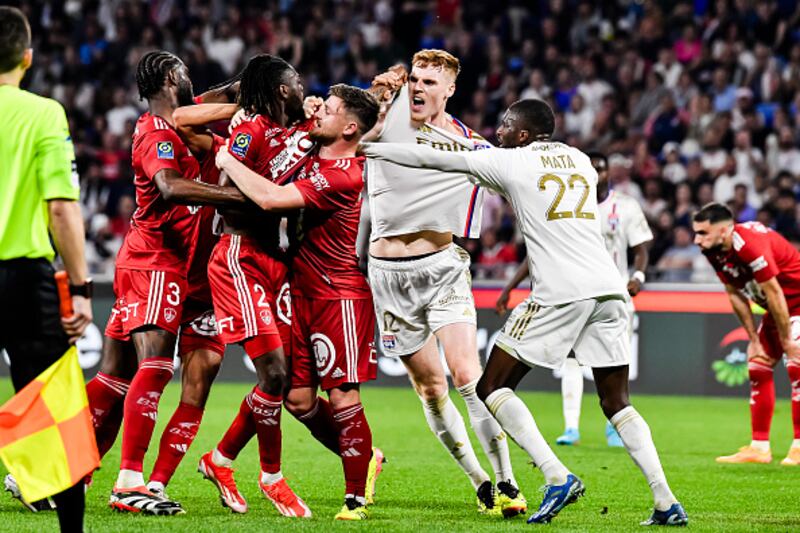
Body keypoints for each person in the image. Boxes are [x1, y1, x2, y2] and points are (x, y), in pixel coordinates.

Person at [362, 98, 687, 526]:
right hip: (609, 289)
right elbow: (476, 151)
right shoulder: (579, 161)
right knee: (616, 401)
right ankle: (666, 502)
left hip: (560, 291)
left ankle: (556, 476)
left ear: (522, 135)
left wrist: (368, 149)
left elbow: (433, 159)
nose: (498, 131)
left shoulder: (511, 163)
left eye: (505, 125)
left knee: (490, 387)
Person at [363, 49, 526, 517]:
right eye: (415, 79)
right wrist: (380, 90)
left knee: (466, 376)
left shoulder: (468, 144)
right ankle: (480, 482)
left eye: (430, 83)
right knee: (430, 389)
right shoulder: (385, 118)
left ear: (450, 90)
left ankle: (509, 482)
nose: (418, 88)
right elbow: (348, 134)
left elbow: (515, 181)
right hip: (388, 276)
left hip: (442, 268)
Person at [217, 84, 381, 520]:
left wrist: (228, 158)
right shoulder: (314, 149)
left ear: (348, 127)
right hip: (297, 288)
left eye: (328, 109)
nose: (319, 112)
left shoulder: (345, 173)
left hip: (338, 294)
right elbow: (283, 142)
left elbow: (270, 198)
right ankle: (367, 458)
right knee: (299, 401)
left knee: (343, 395)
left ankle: (355, 498)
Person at [101, 50, 248, 515]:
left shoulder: (188, 118)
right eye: (184, 71)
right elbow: (168, 185)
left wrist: (263, 82)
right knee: (148, 368)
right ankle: (126, 480)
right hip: (156, 261)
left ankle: (142, 481)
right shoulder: (156, 131)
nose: (191, 78)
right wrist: (235, 196)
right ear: (170, 77)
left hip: (199, 275)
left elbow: (232, 92)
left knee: (178, 376)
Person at [188, 55, 312, 518]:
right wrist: (271, 201)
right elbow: (229, 192)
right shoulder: (250, 129)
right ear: (282, 89)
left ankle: (219, 460)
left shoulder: (294, 134)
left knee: (285, 380)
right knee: (274, 374)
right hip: (239, 257)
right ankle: (272, 477)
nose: (302, 87)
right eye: (296, 81)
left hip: (276, 263)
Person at [0, 7, 92, 530]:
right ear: (27, 58)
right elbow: (62, 206)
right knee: (53, 414)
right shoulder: (42, 114)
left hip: (21, 275)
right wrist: (81, 287)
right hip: (21, 278)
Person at [497, 152, 653, 447]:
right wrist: (509, 288)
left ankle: (614, 424)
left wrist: (639, 277)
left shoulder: (625, 207)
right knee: (570, 362)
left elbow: (642, 247)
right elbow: (536, 252)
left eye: (601, 169)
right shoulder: (563, 206)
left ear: (608, 173)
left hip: (612, 294)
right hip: (571, 293)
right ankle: (571, 427)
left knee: (609, 364)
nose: (597, 174)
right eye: (592, 169)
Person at [693, 204, 800, 466]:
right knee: (757, 366)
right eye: (696, 233)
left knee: (796, 367)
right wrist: (753, 339)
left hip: (796, 304)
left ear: (724, 230)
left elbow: (773, 291)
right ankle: (759, 448)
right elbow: (734, 292)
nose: (697, 240)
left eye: (703, 233)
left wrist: (787, 341)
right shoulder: (714, 251)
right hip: (778, 311)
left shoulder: (749, 244)